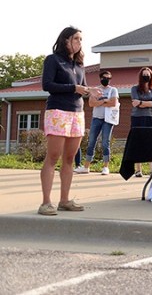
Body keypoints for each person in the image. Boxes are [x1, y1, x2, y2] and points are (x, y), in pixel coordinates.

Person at [39, 26, 100, 216]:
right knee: (53, 157)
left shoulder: (80, 66)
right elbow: (47, 85)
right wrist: (74, 88)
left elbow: (84, 89)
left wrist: (93, 93)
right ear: (66, 40)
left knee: (69, 158)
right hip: (58, 111)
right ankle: (46, 202)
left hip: (77, 113)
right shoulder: (53, 60)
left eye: (81, 39)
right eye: (76, 39)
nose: (80, 43)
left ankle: (64, 200)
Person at [75, 70, 119, 175]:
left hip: (108, 119)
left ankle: (105, 167)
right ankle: (86, 166)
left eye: (108, 78)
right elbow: (91, 103)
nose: (106, 80)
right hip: (96, 118)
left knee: (105, 142)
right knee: (91, 142)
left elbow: (114, 102)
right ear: (100, 78)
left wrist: (99, 102)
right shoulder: (96, 90)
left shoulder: (113, 90)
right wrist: (105, 101)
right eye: (104, 77)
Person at [131, 67, 152, 177]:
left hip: (151, 118)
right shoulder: (134, 89)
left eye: (148, 75)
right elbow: (134, 103)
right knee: (138, 143)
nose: (146, 77)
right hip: (137, 118)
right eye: (144, 75)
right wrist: (148, 103)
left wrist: (141, 102)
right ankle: (138, 170)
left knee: (151, 144)